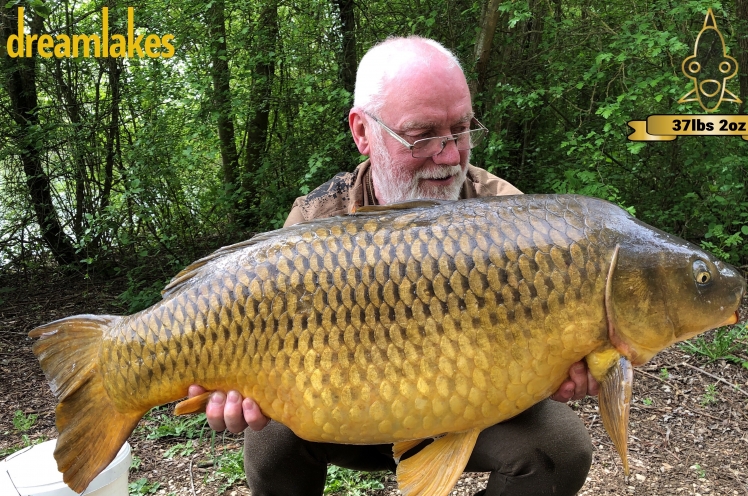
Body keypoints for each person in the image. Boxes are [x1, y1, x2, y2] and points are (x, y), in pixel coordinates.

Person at [190, 36, 598, 496]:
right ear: (362, 132)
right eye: (423, 134)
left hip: (468, 407)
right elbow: (250, 336)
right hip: (346, 411)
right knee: (270, 440)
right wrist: (231, 389)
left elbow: (547, 343)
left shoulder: (507, 216)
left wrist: (564, 368)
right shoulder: (316, 220)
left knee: (560, 447)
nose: (449, 155)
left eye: (460, 130)